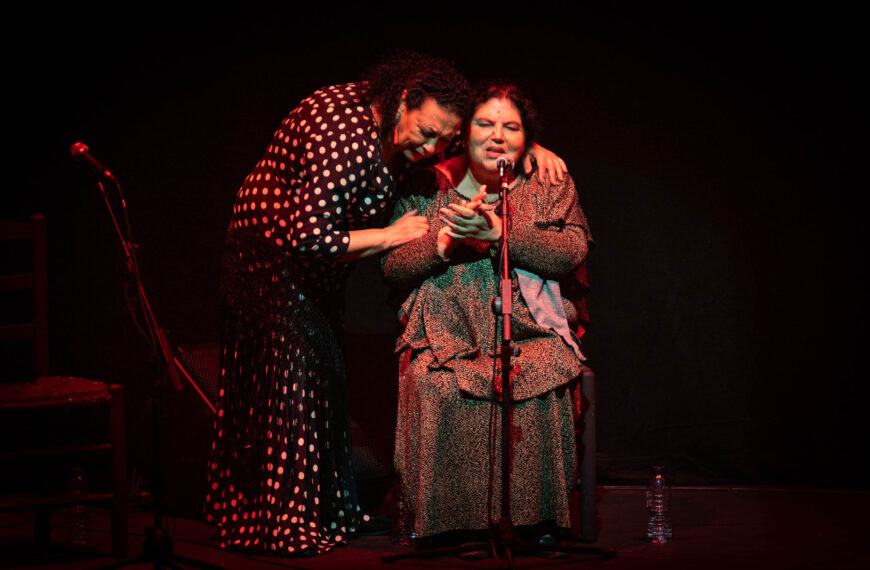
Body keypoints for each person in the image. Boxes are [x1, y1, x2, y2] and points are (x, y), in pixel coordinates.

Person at [206, 52, 566, 557]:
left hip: (317, 274)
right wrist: (393, 233)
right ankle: (278, 521)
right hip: (272, 258)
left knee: (323, 382)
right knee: (287, 388)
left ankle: (329, 511)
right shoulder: (344, 131)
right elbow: (308, 236)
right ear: (403, 100)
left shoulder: (413, 126)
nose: (432, 147)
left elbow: (487, 138)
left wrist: (531, 147)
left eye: (443, 139)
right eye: (427, 133)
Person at [382, 81, 592, 542]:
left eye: (511, 127)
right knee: (434, 383)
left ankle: (528, 522)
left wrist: (503, 235)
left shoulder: (548, 181)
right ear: (464, 132)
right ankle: (446, 525)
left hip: (529, 329)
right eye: (486, 123)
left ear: (526, 138)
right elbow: (393, 266)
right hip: (446, 329)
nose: (498, 135)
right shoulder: (425, 183)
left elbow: (571, 250)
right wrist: (443, 242)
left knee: (544, 375)